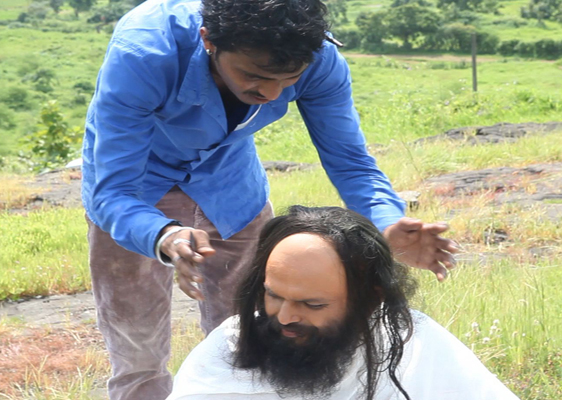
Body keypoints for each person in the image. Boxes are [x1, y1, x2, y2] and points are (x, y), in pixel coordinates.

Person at [82, 0, 458, 399]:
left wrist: (384, 221)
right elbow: (114, 191)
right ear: (209, 41)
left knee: (253, 332)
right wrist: (163, 234)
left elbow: (350, 159)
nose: (271, 93)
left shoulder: (318, 57)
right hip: (137, 188)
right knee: (136, 344)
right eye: (254, 76)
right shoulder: (145, 52)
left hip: (229, 182)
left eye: (288, 79)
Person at [167, 206, 519, 400]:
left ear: (369, 302)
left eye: (312, 305)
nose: (285, 317)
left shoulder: (415, 347)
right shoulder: (224, 354)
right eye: (273, 295)